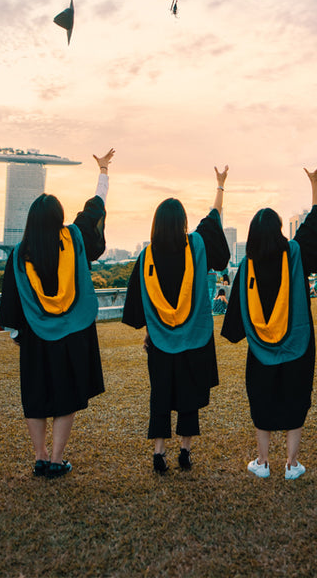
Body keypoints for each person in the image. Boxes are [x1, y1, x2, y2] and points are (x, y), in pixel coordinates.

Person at [0, 149, 114, 480]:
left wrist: (18, 334)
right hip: (72, 334)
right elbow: (94, 209)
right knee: (65, 396)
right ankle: (57, 459)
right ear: (60, 217)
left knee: (36, 396)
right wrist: (103, 172)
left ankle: (40, 456)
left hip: (35, 335)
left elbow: (11, 300)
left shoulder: (20, 255)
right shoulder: (74, 237)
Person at [221, 163, 317, 480]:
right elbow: (315, 235)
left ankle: (263, 462)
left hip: (260, 351)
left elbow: (236, 316)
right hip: (298, 344)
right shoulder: (295, 252)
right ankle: (292, 464)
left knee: (263, 401)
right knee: (296, 399)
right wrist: (315, 187)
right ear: (281, 230)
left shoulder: (247, 266)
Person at [122, 166, 231, 473]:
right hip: (194, 340)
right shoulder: (196, 245)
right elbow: (213, 221)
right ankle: (184, 452)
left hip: (160, 342)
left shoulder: (146, 258)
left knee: (161, 395)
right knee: (188, 395)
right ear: (183, 222)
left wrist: (150, 330)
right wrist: (220, 187)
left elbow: (138, 302)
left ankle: (159, 454)